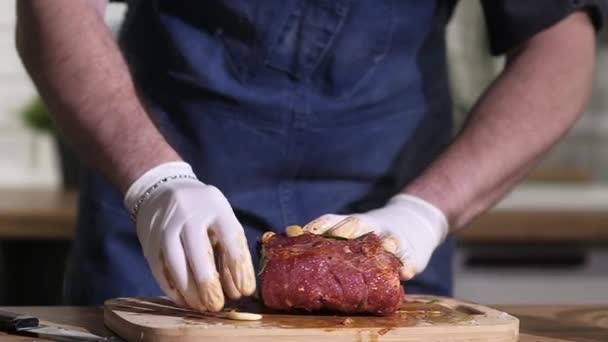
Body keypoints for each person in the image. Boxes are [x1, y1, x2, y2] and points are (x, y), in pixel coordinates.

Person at [16, 1, 606, 312]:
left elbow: (559, 40)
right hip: (163, 229)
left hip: (387, 226)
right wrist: (154, 180)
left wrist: (426, 212)